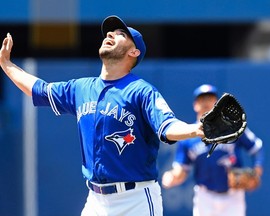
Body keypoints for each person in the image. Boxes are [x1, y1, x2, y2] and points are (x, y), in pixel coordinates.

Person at [0, 15, 204, 216]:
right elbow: (41, 90)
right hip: (96, 200)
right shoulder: (81, 88)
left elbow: (167, 126)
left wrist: (196, 129)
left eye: (120, 33)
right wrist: (7, 65)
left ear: (134, 51)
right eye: (110, 32)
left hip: (136, 200)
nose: (110, 34)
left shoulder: (141, 91)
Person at [161, 84, 264, 216]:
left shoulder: (232, 128)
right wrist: (173, 176)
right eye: (202, 99)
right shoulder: (188, 135)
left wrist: (257, 169)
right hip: (205, 197)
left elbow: (256, 148)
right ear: (195, 105)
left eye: (209, 98)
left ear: (216, 103)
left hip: (233, 196)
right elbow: (182, 169)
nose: (205, 102)